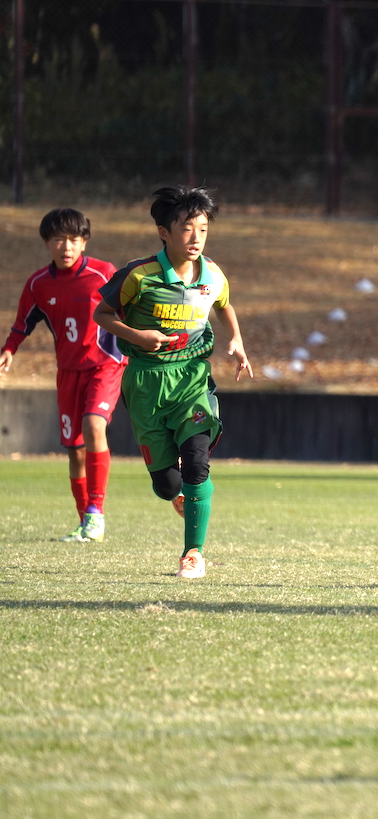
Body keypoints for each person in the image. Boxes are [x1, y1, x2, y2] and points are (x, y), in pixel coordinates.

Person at [94, 187, 252, 579]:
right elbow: (102, 313)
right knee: (166, 485)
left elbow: (224, 304)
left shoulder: (212, 274)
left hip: (192, 380)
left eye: (202, 229)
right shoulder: (138, 275)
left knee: (198, 462)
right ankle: (177, 493)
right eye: (187, 228)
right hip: (146, 383)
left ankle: (193, 553)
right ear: (164, 232)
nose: (196, 237)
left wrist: (236, 340)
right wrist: (137, 335)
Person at [1, 208, 126, 542]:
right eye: (58, 239)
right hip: (68, 371)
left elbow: (130, 310)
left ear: (84, 242)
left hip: (105, 364)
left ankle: (97, 511)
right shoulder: (38, 284)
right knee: (74, 449)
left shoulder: (104, 274)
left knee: (93, 425)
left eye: (73, 239)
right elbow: (22, 323)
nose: (66, 246)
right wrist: (9, 348)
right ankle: (86, 520)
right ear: (47, 243)